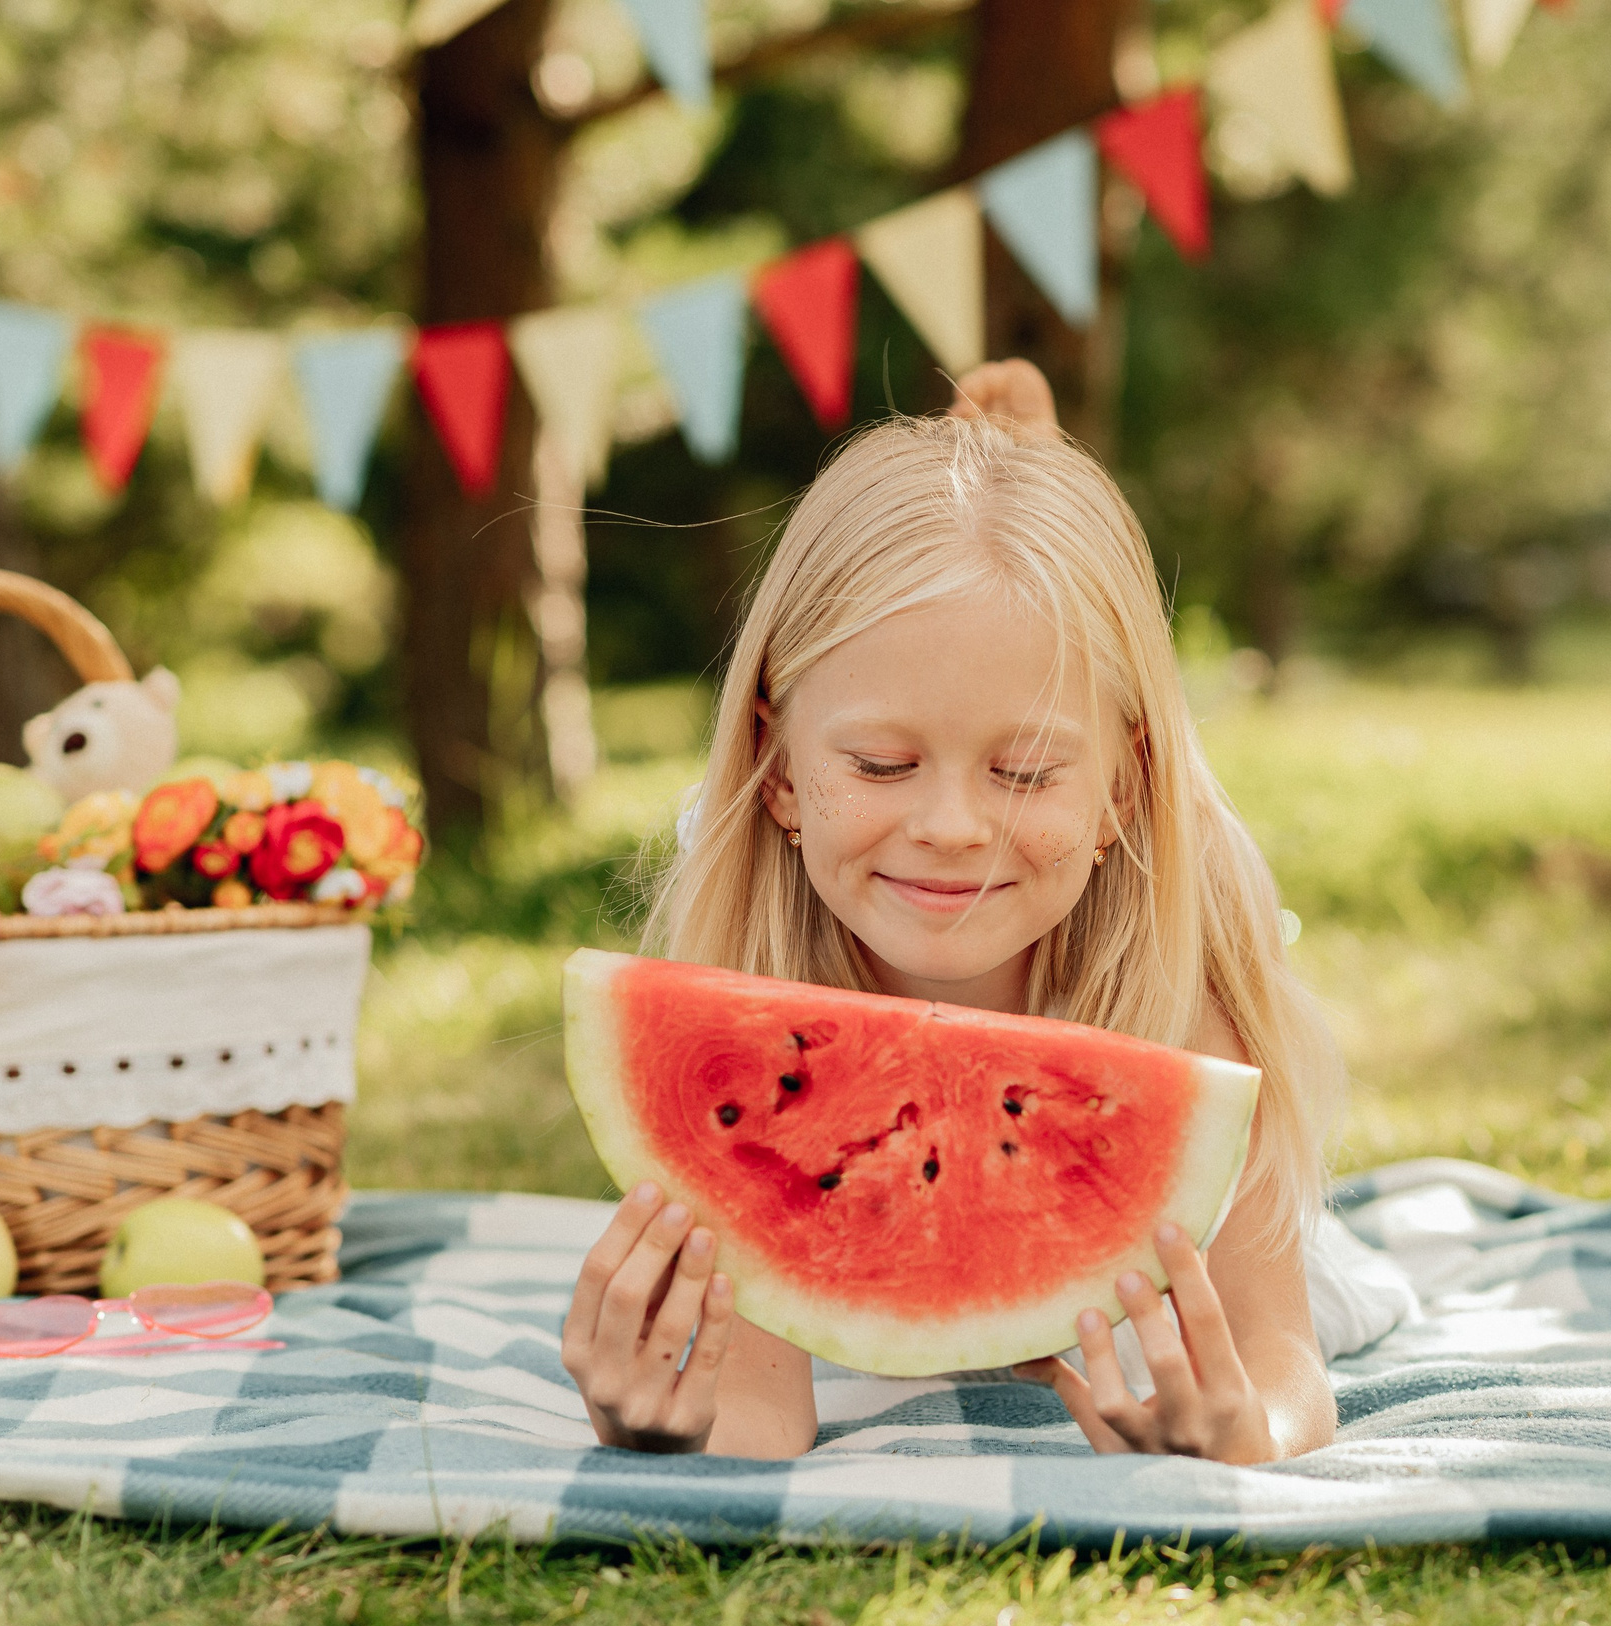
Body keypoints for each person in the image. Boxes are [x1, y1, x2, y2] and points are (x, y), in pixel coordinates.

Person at [559, 361, 1352, 1464]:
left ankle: (1033, 463)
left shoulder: (1177, 977)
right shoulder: (748, 981)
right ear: (775, 766)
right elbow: (755, 1417)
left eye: (1023, 772)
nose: (949, 827)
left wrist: (1239, 1430)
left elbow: (1285, 1361)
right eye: (881, 763)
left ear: (1121, 788)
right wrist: (658, 1420)